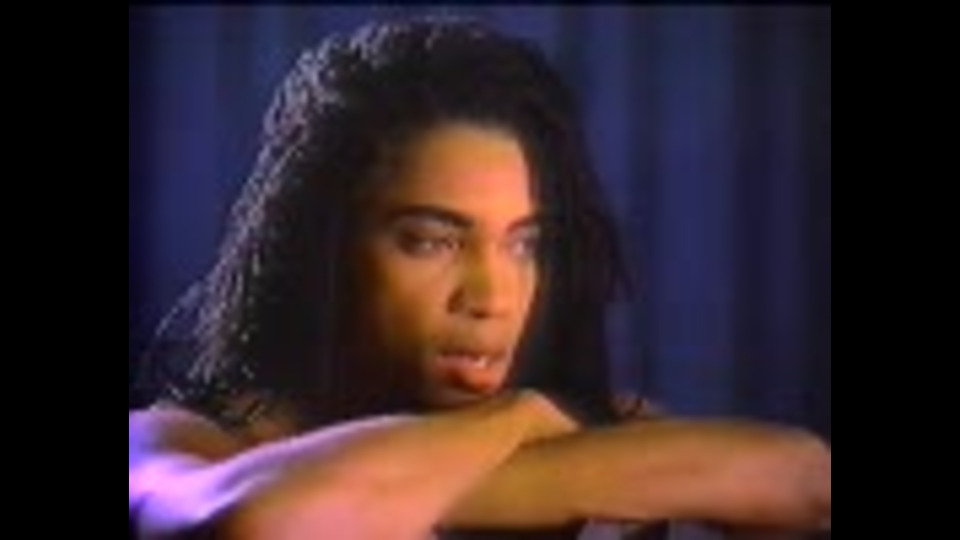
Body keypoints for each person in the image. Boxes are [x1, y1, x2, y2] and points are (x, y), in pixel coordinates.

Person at [128, 18, 831, 540]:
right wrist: (512, 421)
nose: (491, 298)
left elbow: (804, 478)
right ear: (323, 246)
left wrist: (387, 491)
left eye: (524, 246)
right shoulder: (175, 441)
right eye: (431, 241)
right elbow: (259, 522)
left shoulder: (591, 421)